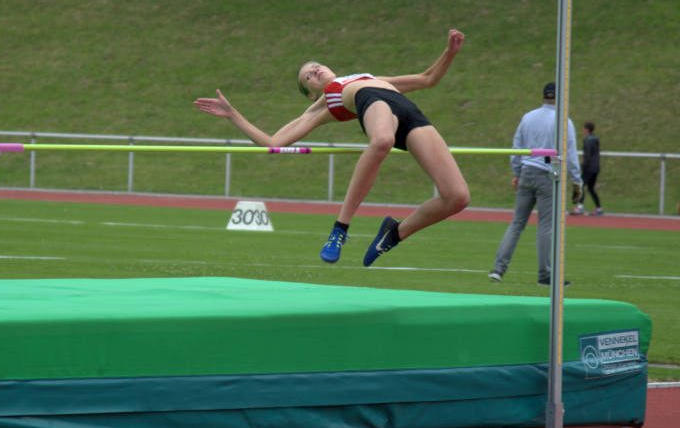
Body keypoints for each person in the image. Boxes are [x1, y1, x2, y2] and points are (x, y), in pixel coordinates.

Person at [194, 29, 470, 266]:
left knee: (457, 197)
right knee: (382, 140)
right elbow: (273, 142)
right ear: (312, 93)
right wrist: (233, 115)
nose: (314, 70)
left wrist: (450, 52)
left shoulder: (366, 76)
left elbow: (427, 79)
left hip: (410, 113)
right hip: (374, 105)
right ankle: (340, 228)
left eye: (315, 66)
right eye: (308, 77)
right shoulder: (325, 101)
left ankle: (395, 232)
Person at [488, 82, 582, 286]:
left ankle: (498, 269)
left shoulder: (528, 117)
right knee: (546, 227)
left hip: (527, 173)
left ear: (543, 97)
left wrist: (517, 172)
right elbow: (571, 154)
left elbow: (517, 146)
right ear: (561, 97)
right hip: (549, 175)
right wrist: (577, 181)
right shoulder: (564, 121)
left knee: (516, 224)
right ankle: (545, 275)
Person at [570, 121, 602, 216]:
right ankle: (599, 208)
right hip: (596, 167)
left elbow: (588, 154)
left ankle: (580, 206)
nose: (583, 130)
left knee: (581, 185)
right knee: (591, 188)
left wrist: (583, 164)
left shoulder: (588, 140)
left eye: (583, 128)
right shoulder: (596, 138)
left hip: (589, 167)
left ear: (587, 129)